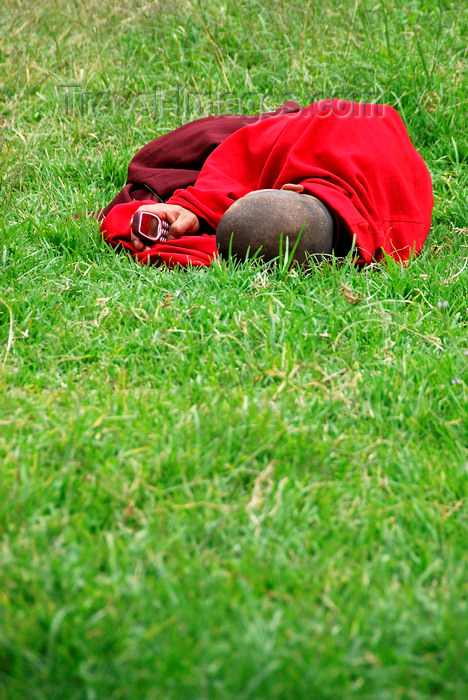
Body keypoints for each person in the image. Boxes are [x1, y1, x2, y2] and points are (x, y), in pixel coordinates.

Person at [100, 99, 433, 268]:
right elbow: (240, 161)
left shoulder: (392, 242)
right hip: (325, 122)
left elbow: (257, 215)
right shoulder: (395, 239)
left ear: (289, 188)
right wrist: (192, 211)